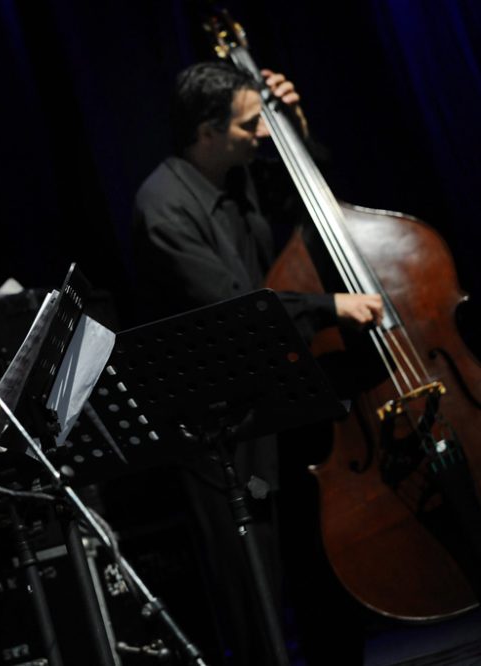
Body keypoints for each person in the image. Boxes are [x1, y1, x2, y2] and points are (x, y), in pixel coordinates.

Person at [131, 61, 383, 664]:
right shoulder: (162, 208)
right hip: (221, 433)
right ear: (206, 131)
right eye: (251, 125)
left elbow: (309, 192)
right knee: (255, 601)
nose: (262, 135)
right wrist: (329, 306)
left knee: (321, 575)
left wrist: (294, 123)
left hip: (277, 407)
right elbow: (237, 308)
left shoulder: (239, 169)